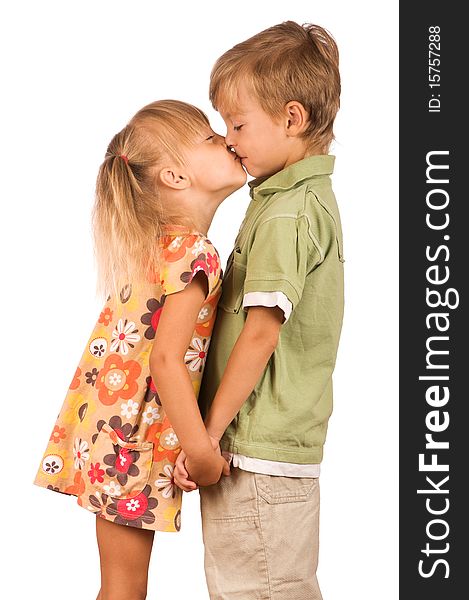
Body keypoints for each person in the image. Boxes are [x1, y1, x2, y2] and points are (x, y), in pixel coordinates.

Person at [33, 99, 246, 600]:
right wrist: (202, 453)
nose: (228, 140)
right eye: (213, 138)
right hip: (131, 444)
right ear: (174, 176)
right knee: (125, 589)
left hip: (106, 432)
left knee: (119, 585)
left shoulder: (155, 246)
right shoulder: (195, 253)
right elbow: (166, 360)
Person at [176, 21, 344, 599]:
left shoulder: (285, 216)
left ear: (292, 118)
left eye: (237, 124)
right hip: (271, 452)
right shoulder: (298, 200)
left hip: (254, 451)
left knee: (257, 589)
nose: (229, 139)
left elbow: (259, 336)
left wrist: (207, 435)